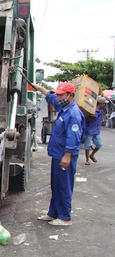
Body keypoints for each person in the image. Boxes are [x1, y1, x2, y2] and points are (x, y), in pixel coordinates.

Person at [31, 82, 84, 226]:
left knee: (63, 185)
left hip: (64, 156)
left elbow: (73, 138)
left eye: (61, 94)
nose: (59, 97)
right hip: (57, 155)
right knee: (55, 184)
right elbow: (50, 96)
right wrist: (39, 87)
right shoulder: (64, 107)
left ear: (70, 96)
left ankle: (65, 217)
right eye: (58, 94)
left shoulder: (73, 114)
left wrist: (67, 156)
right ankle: (53, 213)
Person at [83, 96, 107, 165]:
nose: (104, 105)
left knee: (99, 144)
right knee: (87, 145)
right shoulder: (92, 110)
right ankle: (87, 159)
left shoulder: (101, 110)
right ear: (101, 103)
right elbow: (85, 119)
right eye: (104, 103)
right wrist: (91, 116)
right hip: (89, 130)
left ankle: (92, 155)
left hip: (97, 130)